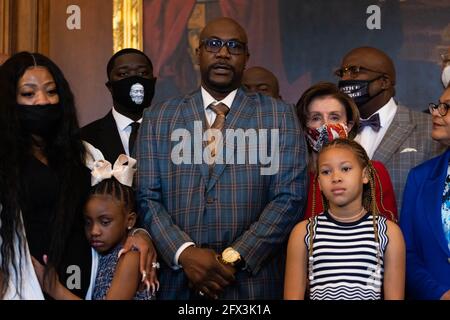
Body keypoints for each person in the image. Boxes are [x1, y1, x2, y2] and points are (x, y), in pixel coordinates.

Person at [135, 17, 307, 299]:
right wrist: (185, 254)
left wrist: (233, 257)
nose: (223, 53)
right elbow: (147, 197)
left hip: (253, 285)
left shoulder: (279, 115)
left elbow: (290, 197)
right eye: (213, 44)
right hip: (180, 284)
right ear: (198, 52)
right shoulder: (159, 118)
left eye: (234, 47)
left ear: (246, 58)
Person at [0, 52, 156, 299]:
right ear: (9, 101)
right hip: (26, 287)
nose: (43, 101)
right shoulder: (5, 163)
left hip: (88, 287)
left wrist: (138, 233)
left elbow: (115, 209)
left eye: (51, 91)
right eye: (29, 94)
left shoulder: (84, 153)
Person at [284, 138, 405, 300]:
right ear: (319, 182)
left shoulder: (389, 232)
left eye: (346, 169)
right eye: (326, 172)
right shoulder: (303, 232)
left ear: (365, 175)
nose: (336, 177)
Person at [337, 47, 444, 213]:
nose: (346, 79)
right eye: (342, 73)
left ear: (384, 82)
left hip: (405, 236)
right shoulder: (336, 131)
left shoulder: (430, 128)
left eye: (355, 71)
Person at [33, 155, 155, 300]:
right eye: (88, 222)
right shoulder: (102, 253)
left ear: (130, 220)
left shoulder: (131, 257)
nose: (94, 231)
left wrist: (55, 289)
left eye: (105, 222)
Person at [296, 82, 397, 221]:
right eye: (316, 118)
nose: (326, 125)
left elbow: (387, 230)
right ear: (304, 126)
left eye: (334, 117)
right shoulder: (296, 176)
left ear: (348, 126)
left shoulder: (374, 172)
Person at [400, 86, 450, 300]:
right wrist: (439, 294)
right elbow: (406, 253)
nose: (436, 112)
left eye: (446, 107)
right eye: (438, 105)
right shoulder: (419, 178)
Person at [81, 48, 156, 162]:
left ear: (153, 82)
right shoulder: (85, 138)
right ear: (110, 86)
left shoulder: (176, 133)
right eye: (123, 74)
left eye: (143, 73)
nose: (134, 79)